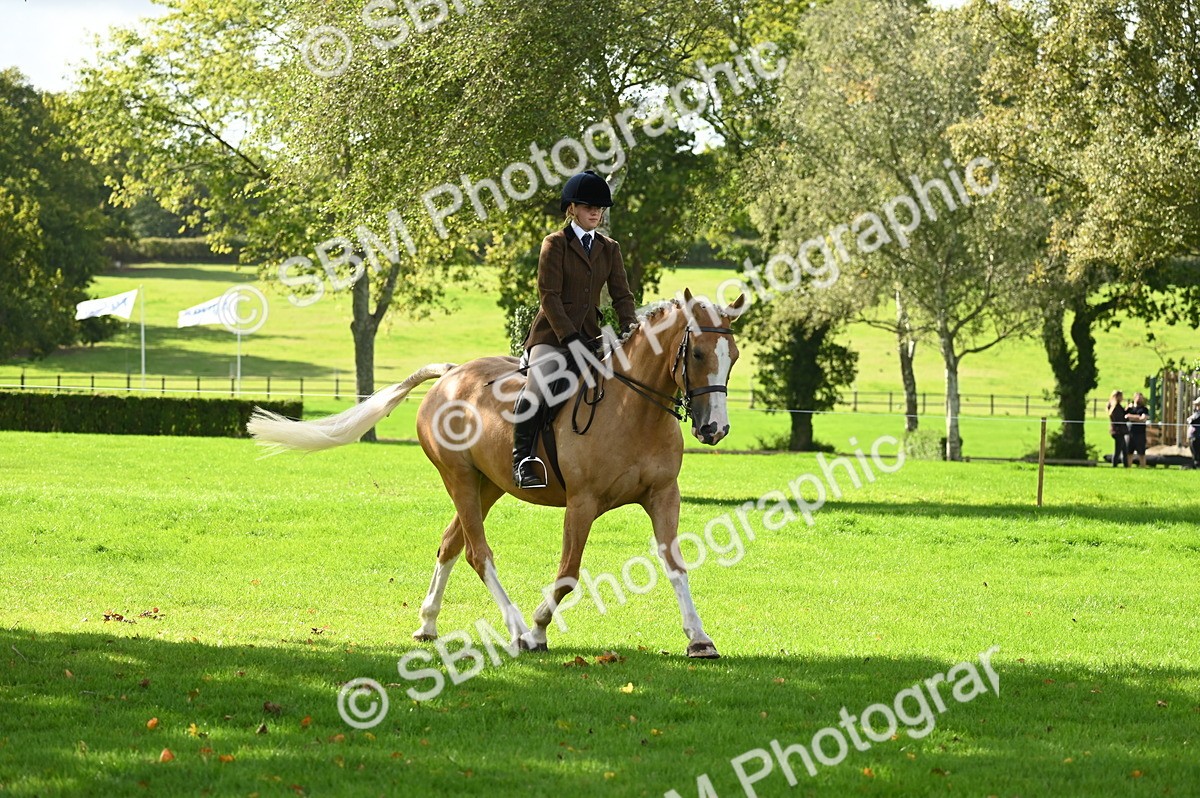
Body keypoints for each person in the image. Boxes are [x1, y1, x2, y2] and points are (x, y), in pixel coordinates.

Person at [511, 170, 639, 489]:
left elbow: (622, 295)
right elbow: (549, 296)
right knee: (538, 390)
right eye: (587, 206)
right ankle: (522, 460)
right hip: (552, 338)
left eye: (599, 207)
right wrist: (570, 338)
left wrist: (632, 330)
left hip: (591, 338)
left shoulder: (609, 248)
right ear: (572, 209)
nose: (595, 211)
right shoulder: (555, 244)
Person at [1124, 391, 1150, 467]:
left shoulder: (1144, 409)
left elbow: (1143, 418)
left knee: (1141, 453)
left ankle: (1143, 467)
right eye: (1138, 398)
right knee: (1129, 452)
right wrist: (1138, 417)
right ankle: (1128, 468)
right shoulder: (1129, 408)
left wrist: (1131, 417)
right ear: (1134, 398)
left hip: (1140, 434)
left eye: (1141, 398)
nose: (1139, 400)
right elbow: (1125, 416)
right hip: (1130, 433)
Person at [1106, 390, 1129, 468]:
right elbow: (1120, 419)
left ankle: (1126, 466)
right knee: (1118, 451)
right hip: (1118, 431)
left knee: (1124, 450)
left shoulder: (1114, 407)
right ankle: (1115, 465)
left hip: (1117, 431)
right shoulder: (1116, 407)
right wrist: (1127, 417)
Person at [1188, 396, 1200, 470]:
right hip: (1193, 435)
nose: (1196, 406)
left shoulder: (1198, 414)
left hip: (1197, 436)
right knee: (1194, 452)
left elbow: (1192, 421)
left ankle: (1197, 466)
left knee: (1197, 453)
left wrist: (1190, 419)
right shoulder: (1196, 413)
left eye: (1198, 405)